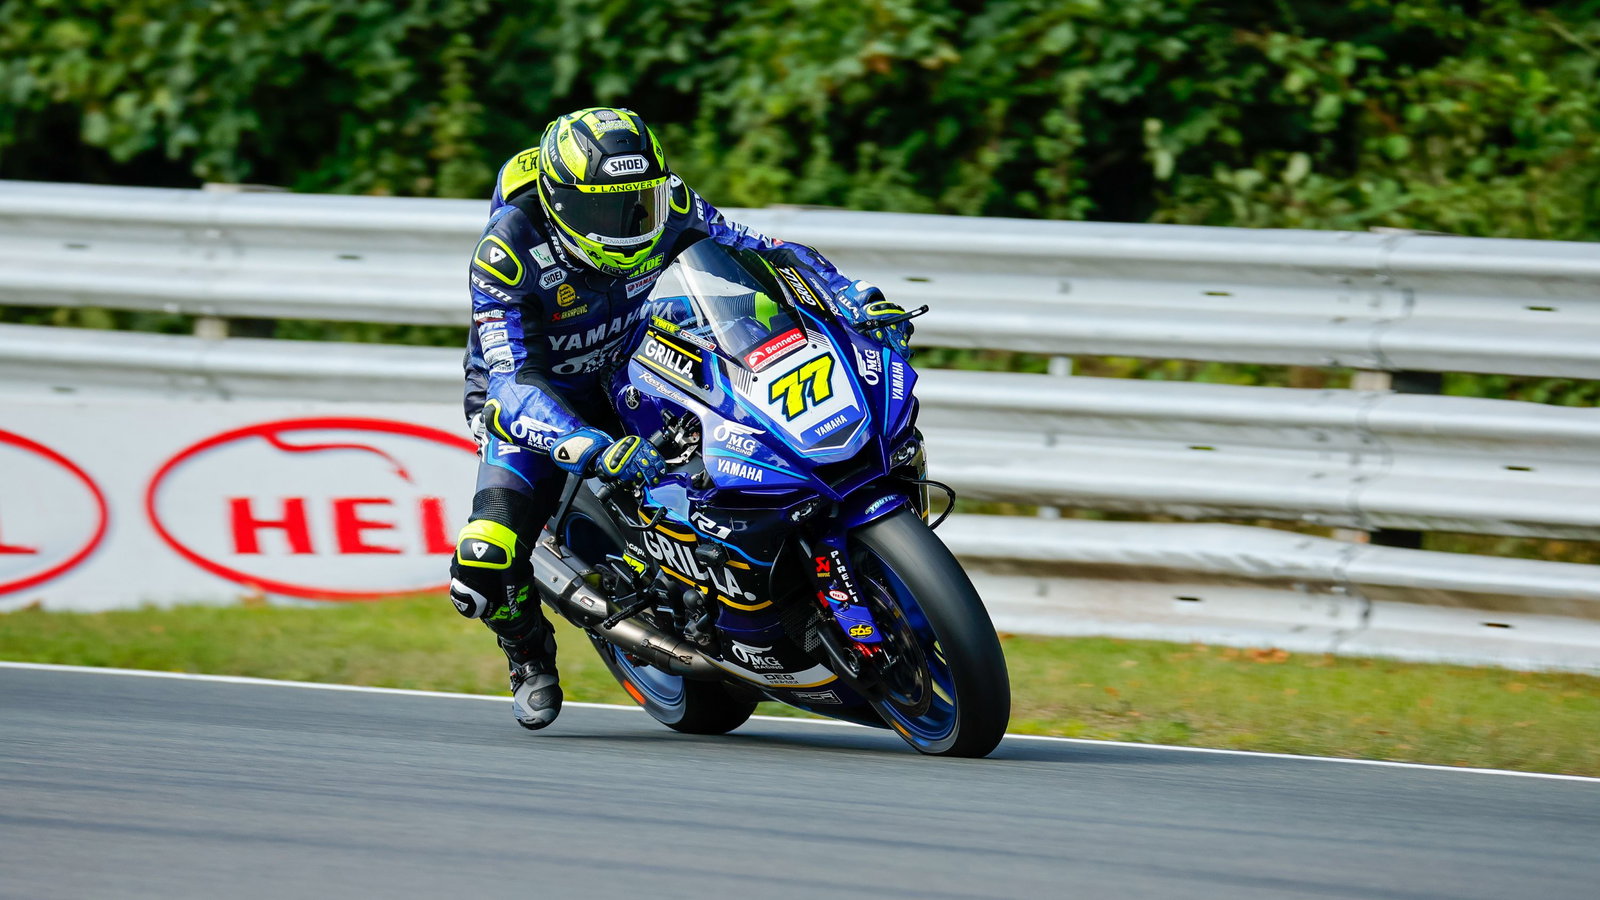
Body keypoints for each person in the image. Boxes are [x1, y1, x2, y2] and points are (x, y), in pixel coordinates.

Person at [448, 107, 911, 730]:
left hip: (628, 362)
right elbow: (508, 381)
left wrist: (847, 293)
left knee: (732, 450)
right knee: (482, 564)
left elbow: (759, 249)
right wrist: (581, 441)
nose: (626, 221)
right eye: (602, 210)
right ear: (560, 205)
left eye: (637, 203)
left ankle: (758, 579)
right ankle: (527, 652)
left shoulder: (669, 203)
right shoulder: (507, 251)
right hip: (539, 398)